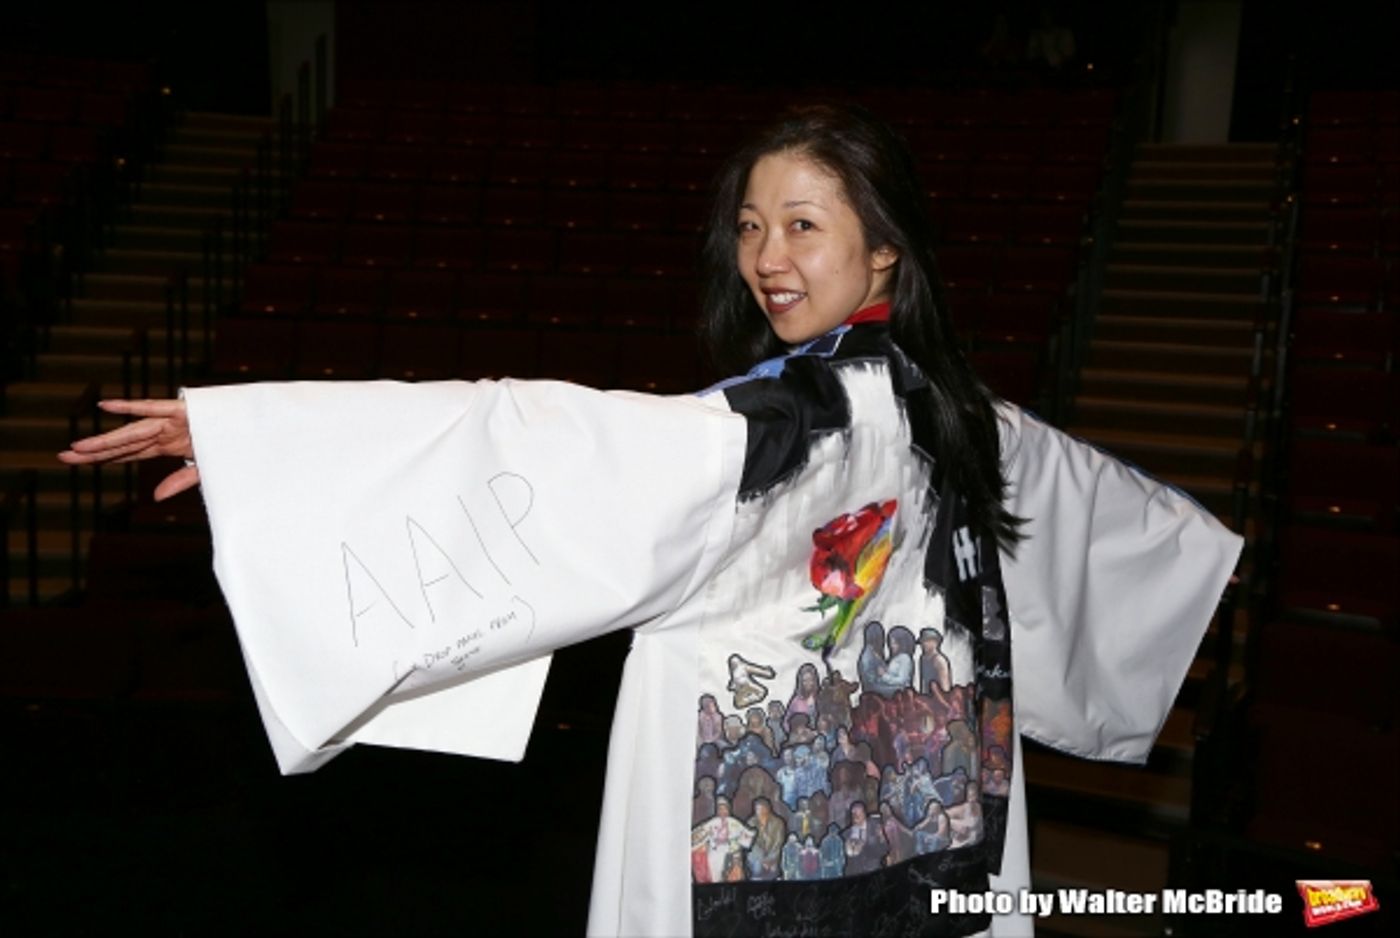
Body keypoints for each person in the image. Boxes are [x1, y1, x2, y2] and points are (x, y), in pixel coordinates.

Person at [60, 104, 1242, 936]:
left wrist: (261, 449)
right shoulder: (953, 406)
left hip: (744, 826)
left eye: (801, 224)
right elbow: (1114, 525)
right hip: (920, 815)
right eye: (748, 226)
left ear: (884, 246)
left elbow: (539, 440)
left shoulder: (791, 419)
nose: (765, 257)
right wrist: (1198, 571)